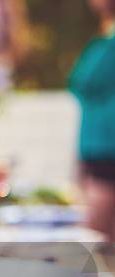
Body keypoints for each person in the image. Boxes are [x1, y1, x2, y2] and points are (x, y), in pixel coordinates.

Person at [69, 0, 115, 241]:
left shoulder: (109, 45)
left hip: (107, 148)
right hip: (98, 147)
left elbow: (84, 80)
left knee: (95, 240)